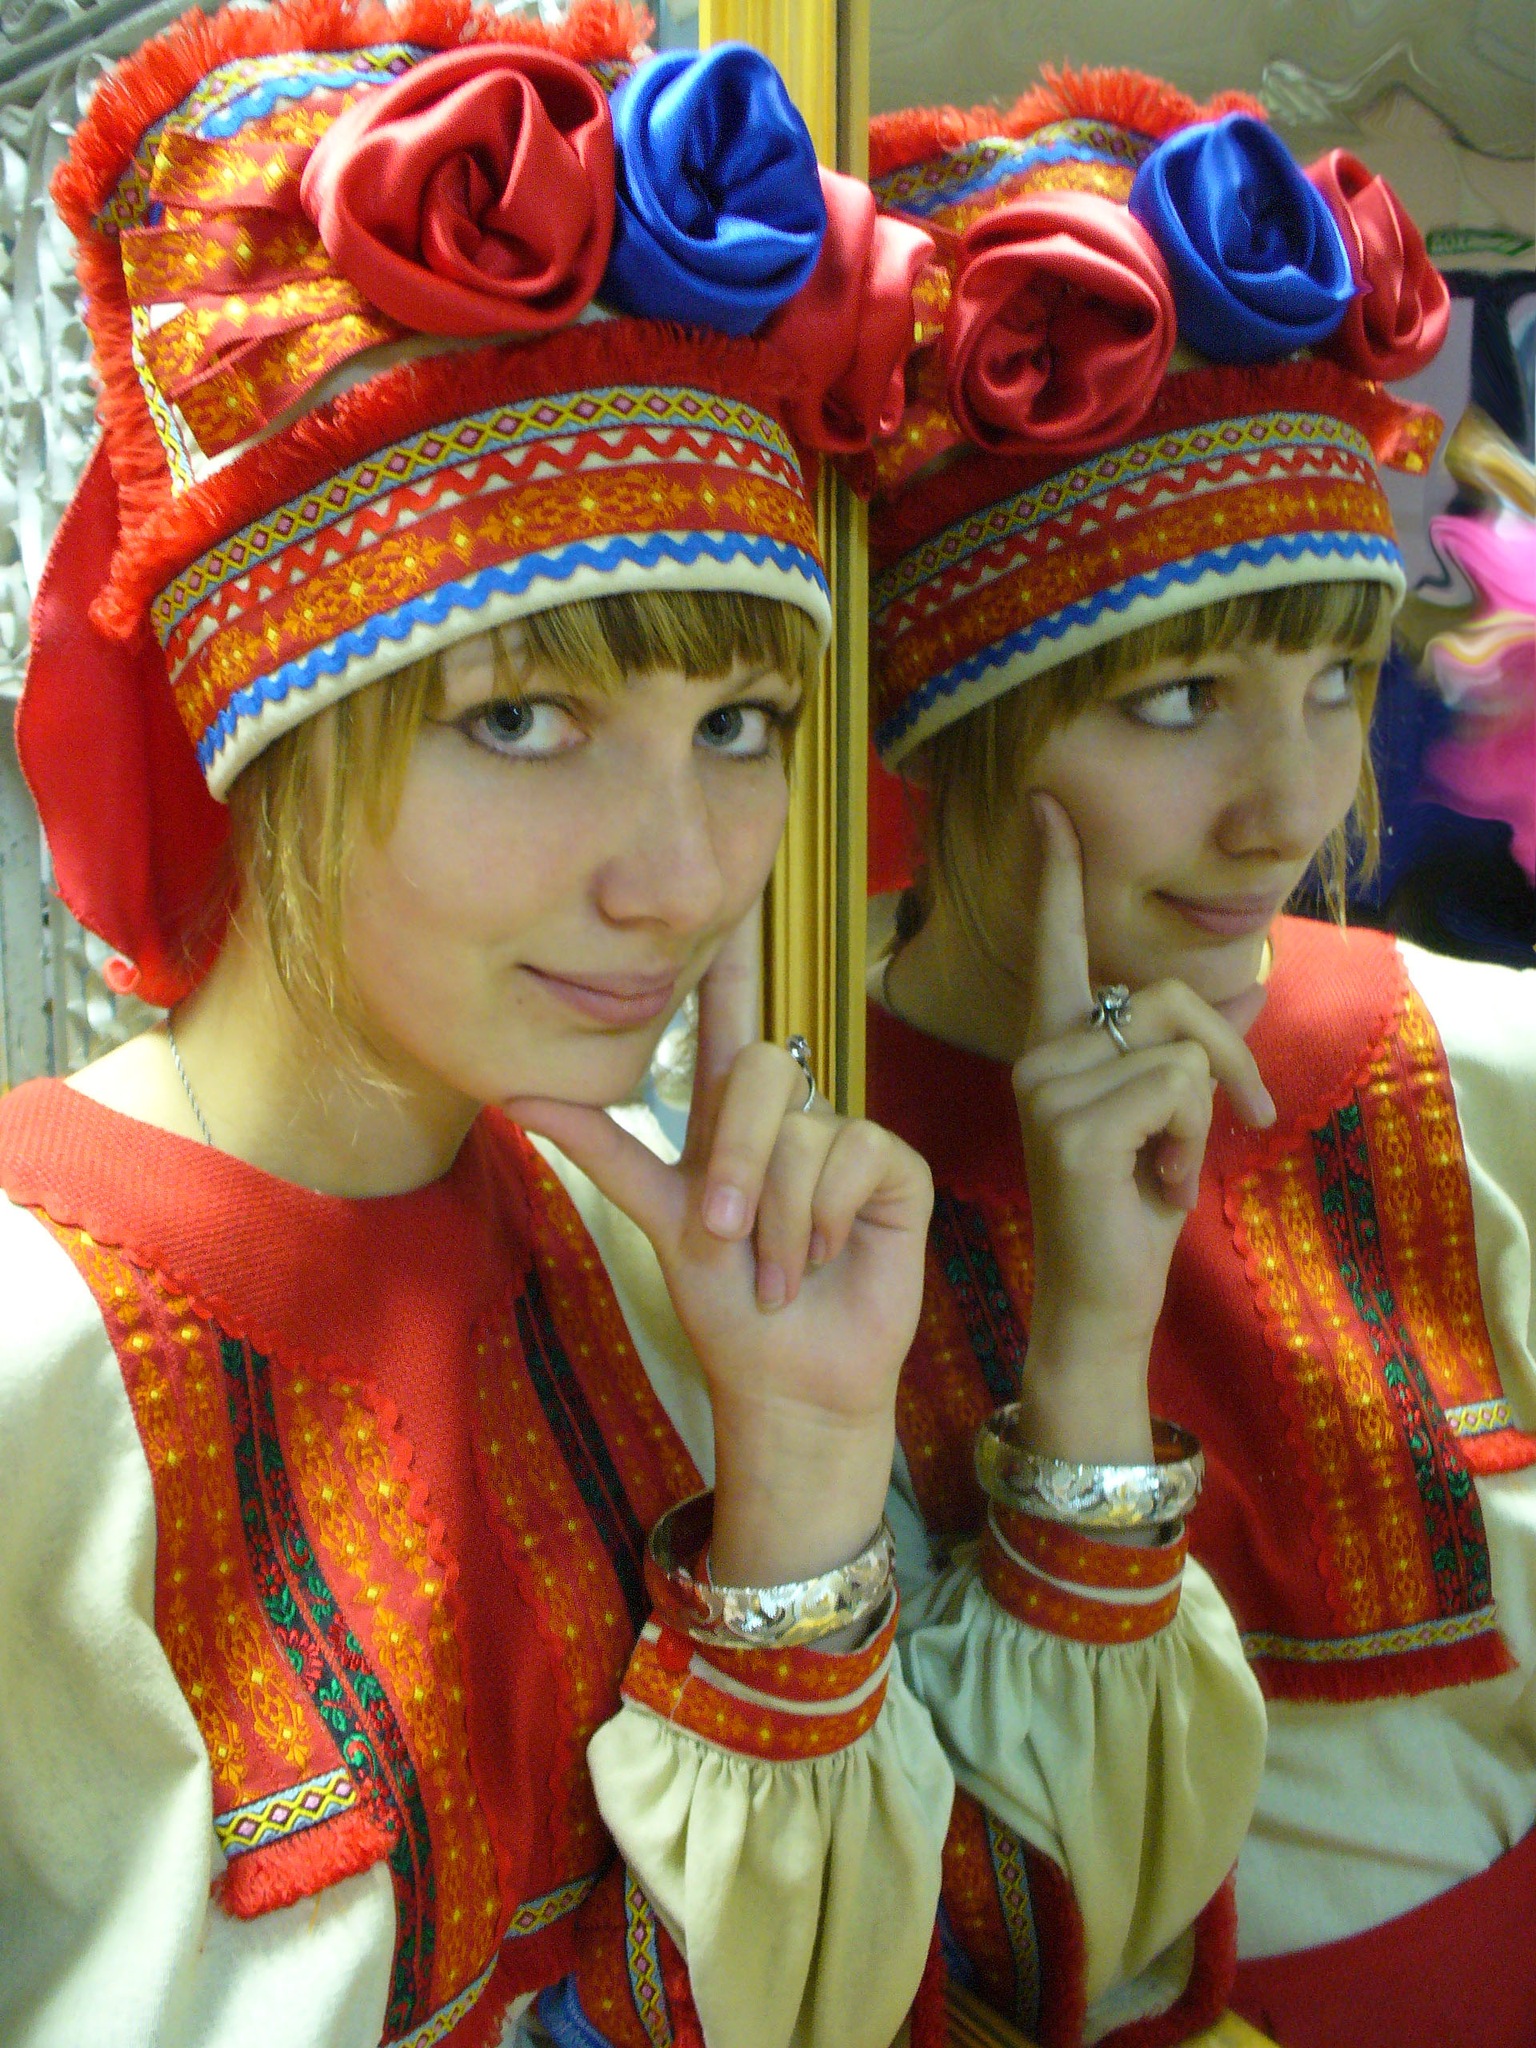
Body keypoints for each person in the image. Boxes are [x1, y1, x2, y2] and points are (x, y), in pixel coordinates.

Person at [0, 7, 960, 2045]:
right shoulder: (31, 1351)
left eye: (740, 728)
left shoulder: (634, 1249)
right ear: (264, 727)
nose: (679, 877)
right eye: (519, 718)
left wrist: (802, 1468)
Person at [861, 64, 1536, 2048]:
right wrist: (1085, 1360)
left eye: (1332, 680)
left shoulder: (1474, 1068)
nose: (1287, 806)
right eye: (1176, 698)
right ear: (944, 717)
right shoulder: (789, 1195)